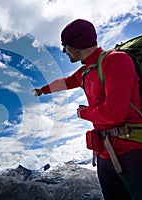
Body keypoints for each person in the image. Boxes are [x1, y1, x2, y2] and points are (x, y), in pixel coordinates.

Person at [32, 19, 142, 200]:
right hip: (104, 155)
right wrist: (42, 90)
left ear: (76, 44)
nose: (63, 51)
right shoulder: (86, 71)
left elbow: (113, 113)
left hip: (132, 151)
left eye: (65, 46)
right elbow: (66, 82)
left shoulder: (115, 61)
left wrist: (82, 113)